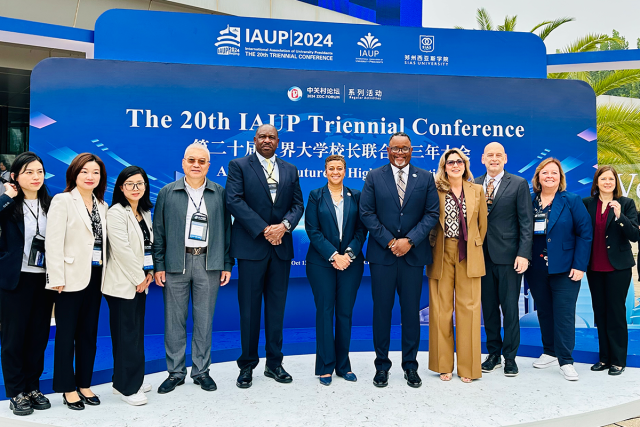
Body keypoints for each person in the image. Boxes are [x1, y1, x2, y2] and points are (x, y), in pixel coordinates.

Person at [226, 124, 304, 388]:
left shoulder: (290, 169)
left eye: (272, 137)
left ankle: (274, 364)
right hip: (252, 248)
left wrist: (284, 227)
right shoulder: (239, 165)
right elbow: (234, 200)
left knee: (276, 309)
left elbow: (297, 205)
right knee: (248, 309)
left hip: (281, 248)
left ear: (278, 141)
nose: (267, 140)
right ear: (255, 140)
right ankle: (247, 365)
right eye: (262, 137)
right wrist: (264, 229)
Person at [359, 131, 439, 388]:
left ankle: (410, 366)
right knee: (381, 312)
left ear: (411, 150)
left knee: (410, 313)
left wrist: (410, 241)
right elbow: (367, 213)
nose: (400, 153)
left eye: (405, 148)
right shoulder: (374, 177)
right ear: (388, 150)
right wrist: (391, 242)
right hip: (383, 256)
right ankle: (382, 367)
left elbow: (431, 213)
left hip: (413, 256)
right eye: (396, 148)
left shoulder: (425, 178)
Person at [152, 142, 233, 394]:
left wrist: (227, 263)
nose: (196, 165)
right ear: (183, 163)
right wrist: (159, 264)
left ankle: (201, 371)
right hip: (176, 263)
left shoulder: (220, 192)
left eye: (201, 161)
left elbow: (227, 231)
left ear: (209, 165)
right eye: (191, 160)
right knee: (174, 320)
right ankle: (175, 372)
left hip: (209, 263)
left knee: (204, 319)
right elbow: (159, 231)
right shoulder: (167, 192)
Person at [45, 153, 109, 409]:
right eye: (84, 171)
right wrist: (56, 277)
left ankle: (84, 383)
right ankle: (66, 387)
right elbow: (53, 241)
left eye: (95, 172)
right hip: (69, 279)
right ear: (74, 173)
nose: (90, 176)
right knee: (66, 334)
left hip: (96, 277)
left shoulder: (102, 205)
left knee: (88, 335)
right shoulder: (62, 200)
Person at [524, 158, 592, 381]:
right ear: (538, 177)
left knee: (563, 314)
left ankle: (566, 360)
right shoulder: (530, 201)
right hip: (536, 267)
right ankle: (550, 351)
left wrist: (579, 265)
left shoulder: (571, 200)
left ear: (560, 177)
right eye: (545, 173)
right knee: (544, 311)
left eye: (554, 173)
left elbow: (585, 233)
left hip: (565, 268)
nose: (549, 176)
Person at [305, 155, 368, 386]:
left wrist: (348, 255)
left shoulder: (356, 196)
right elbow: (313, 230)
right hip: (321, 263)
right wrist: (334, 256)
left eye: (339, 168)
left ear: (345, 171)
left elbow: (362, 230)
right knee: (324, 312)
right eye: (331, 168)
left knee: (344, 314)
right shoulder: (315, 196)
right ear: (325, 172)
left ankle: (343, 366)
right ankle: (325, 367)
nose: (335, 172)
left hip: (350, 264)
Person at [427, 148, 487, 383]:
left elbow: (482, 225)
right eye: (451, 162)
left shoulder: (477, 190)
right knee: (442, 310)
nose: (455, 165)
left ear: (465, 165)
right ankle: (444, 365)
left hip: (469, 253)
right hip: (441, 252)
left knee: (469, 310)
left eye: (459, 161)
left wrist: (472, 244)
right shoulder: (435, 190)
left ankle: (469, 368)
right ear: (444, 166)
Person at [0, 152, 54, 416]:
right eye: (28, 172)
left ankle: (33, 387)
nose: (35, 177)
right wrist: (5, 197)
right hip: (16, 278)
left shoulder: (51, 204)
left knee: (38, 337)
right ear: (15, 177)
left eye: (39, 172)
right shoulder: (9, 204)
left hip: (43, 280)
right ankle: (16, 391)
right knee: (14, 338)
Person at [474, 142, 533, 377]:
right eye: (490, 155)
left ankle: (510, 358)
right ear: (483, 158)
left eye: (498, 155)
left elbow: (526, 222)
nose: (494, 159)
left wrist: (524, 254)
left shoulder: (518, 184)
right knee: (488, 310)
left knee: (509, 309)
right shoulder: (474, 184)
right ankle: (493, 355)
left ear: (505, 158)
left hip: (509, 257)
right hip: (480, 257)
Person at [104, 166, 155, 405]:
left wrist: (150, 272)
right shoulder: (116, 212)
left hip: (141, 281)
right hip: (124, 283)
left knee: (134, 334)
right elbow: (121, 250)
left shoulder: (143, 212)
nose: (135, 188)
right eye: (130, 184)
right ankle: (128, 388)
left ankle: (127, 378)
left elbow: (148, 247)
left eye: (140, 183)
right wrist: (138, 278)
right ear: (121, 187)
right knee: (127, 335)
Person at [583, 166, 639, 376]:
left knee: (615, 313)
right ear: (596, 182)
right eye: (603, 178)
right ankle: (604, 358)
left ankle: (618, 360)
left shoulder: (626, 204)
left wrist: (620, 216)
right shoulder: (587, 204)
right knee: (601, 312)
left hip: (618, 268)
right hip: (594, 267)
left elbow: (634, 235)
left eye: (611, 179)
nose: (607, 182)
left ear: (616, 182)